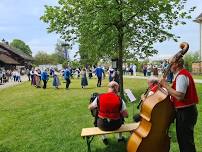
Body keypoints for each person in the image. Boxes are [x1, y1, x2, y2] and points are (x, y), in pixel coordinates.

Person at [160, 58, 198, 152]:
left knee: (186, 141)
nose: (169, 66)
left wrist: (166, 85)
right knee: (183, 140)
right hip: (185, 112)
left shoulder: (181, 76)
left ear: (176, 64)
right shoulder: (180, 75)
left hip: (185, 112)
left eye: (170, 64)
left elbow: (180, 95)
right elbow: (173, 93)